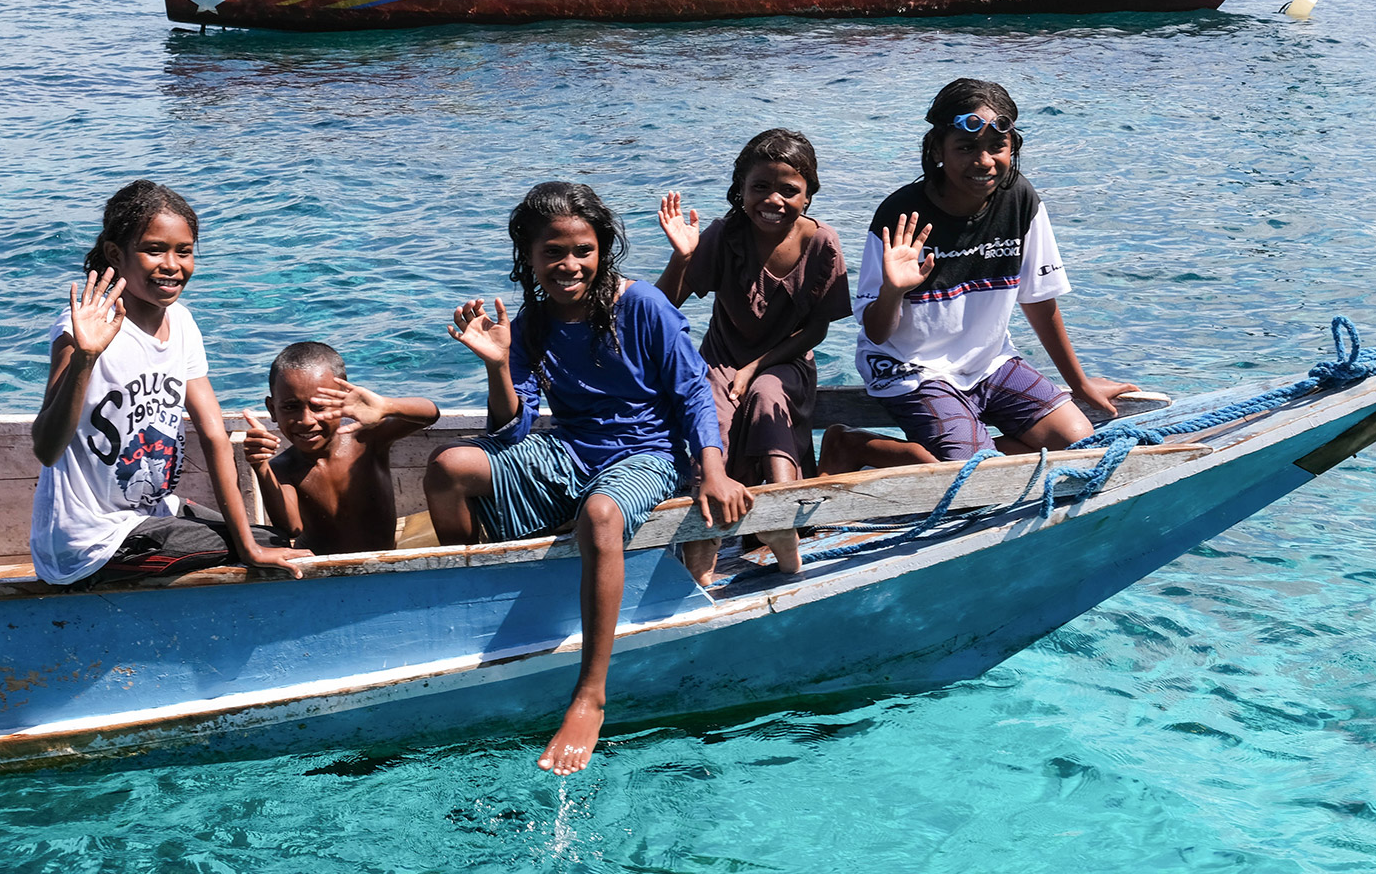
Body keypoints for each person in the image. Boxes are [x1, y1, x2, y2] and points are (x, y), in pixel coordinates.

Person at [422, 181, 753, 775]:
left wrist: (713, 471)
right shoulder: (530, 324)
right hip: (569, 447)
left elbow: (693, 395)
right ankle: (478, 596)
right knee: (450, 467)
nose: (569, 264)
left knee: (601, 513)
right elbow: (513, 427)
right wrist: (498, 364)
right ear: (529, 256)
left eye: (583, 249)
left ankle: (590, 693)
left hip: (646, 455)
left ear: (603, 249)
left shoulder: (644, 304)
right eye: (553, 252)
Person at [821, 79, 1137, 474]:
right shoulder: (900, 214)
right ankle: (851, 445)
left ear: (1012, 148)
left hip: (990, 362)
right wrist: (893, 291)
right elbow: (878, 332)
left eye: (996, 147)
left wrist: (1080, 383)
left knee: (1078, 443)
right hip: (911, 367)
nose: (983, 161)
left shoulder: (1020, 201)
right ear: (938, 150)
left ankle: (966, 448)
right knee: (974, 474)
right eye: (966, 148)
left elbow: (1039, 301)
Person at [29, 180, 307, 587]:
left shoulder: (182, 324)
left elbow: (214, 437)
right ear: (114, 254)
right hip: (94, 540)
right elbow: (46, 448)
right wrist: (86, 358)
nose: (172, 264)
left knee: (273, 540)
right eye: (154, 249)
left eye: (185, 251)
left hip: (152, 514)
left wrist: (249, 546)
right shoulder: (82, 330)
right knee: (264, 548)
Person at [654, 129, 853, 579]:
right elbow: (664, 308)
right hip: (721, 362)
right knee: (713, 416)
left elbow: (817, 328)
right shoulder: (725, 236)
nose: (773, 199)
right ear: (740, 189)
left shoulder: (821, 244)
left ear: (808, 194)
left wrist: (756, 366)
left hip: (787, 366)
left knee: (765, 393)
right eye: (760, 186)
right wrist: (683, 257)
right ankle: (705, 537)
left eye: (789, 190)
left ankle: (781, 519)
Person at [239, 342, 440, 555]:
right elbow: (292, 527)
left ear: (343, 398)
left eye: (320, 406)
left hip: (381, 560)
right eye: (290, 407)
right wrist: (260, 465)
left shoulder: (366, 439)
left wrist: (385, 406)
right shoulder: (283, 467)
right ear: (272, 409)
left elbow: (429, 414)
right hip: (323, 570)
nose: (306, 420)